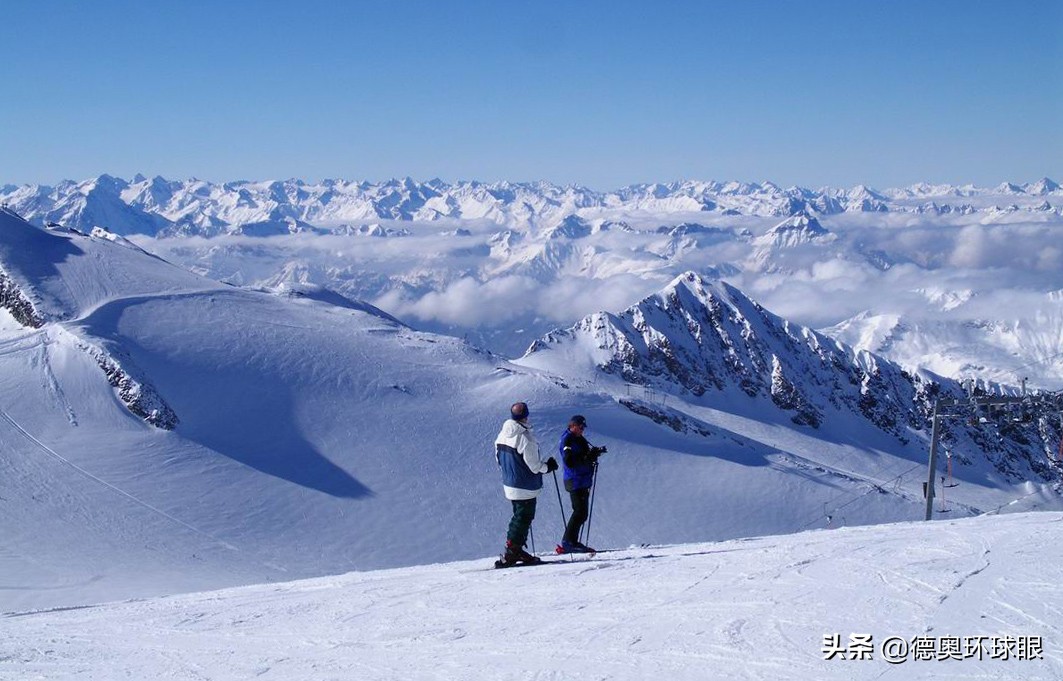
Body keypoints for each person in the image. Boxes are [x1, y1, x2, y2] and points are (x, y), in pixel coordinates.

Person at [495, 401, 558, 565]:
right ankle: (512, 551)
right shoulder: (525, 438)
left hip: (510, 482)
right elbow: (535, 466)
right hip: (525, 485)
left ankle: (515, 549)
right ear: (526, 416)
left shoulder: (502, 434)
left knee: (519, 515)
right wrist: (548, 467)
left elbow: (498, 458)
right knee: (524, 516)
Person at [557, 414, 607, 553]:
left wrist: (594, 453)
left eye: (583, 427)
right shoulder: (567, 440)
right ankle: (568, 542)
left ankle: (572, 542)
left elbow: (582, 455)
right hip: (575, 480)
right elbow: (569, 461)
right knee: (579, 512)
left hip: (581, 480)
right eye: (580, 427)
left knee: (582, 513)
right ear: (572, 426)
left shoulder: (577, 438)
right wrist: (587, 457)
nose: (582, 429)